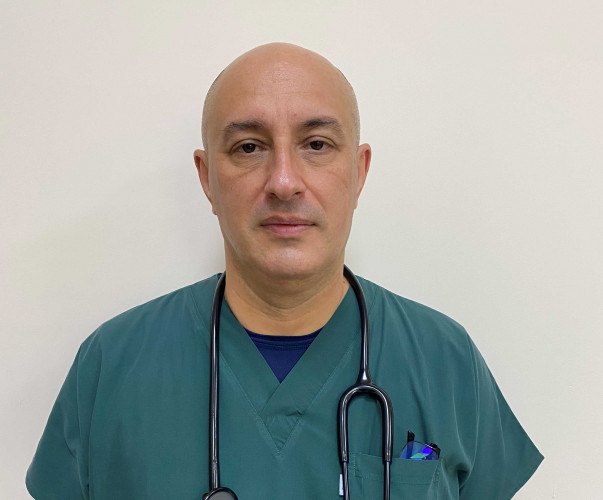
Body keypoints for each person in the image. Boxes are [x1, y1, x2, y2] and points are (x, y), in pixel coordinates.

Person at [26, 43, 543, 499]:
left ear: (359, 172)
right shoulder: (110, 366)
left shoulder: (445, 360)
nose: (284, 182)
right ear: (207, 179)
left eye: (316, 144)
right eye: (249, 147)